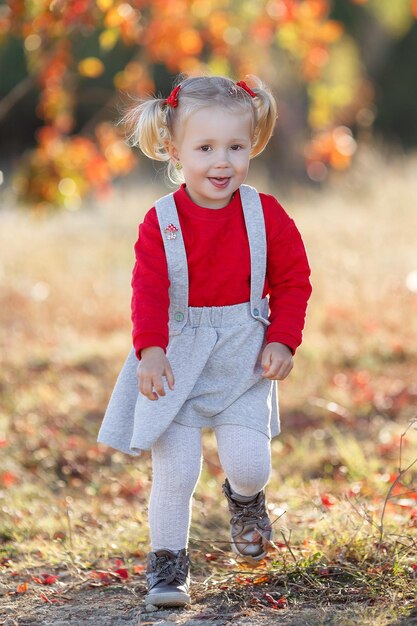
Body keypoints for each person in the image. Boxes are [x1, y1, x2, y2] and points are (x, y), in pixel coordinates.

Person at [97, 74, 312, 608]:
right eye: (206, 148)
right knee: (177, 472)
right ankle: (167, 568)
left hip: (243, 356)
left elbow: (292, 280)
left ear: (252, 145)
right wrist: (150, 350)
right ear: (174, 149)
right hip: (176, 358)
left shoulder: (266, 215)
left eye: (236, 147)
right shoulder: (162, 222)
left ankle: (245, 500)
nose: (222, 162)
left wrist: (283, 339)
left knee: (249, 462)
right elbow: (147, 288)